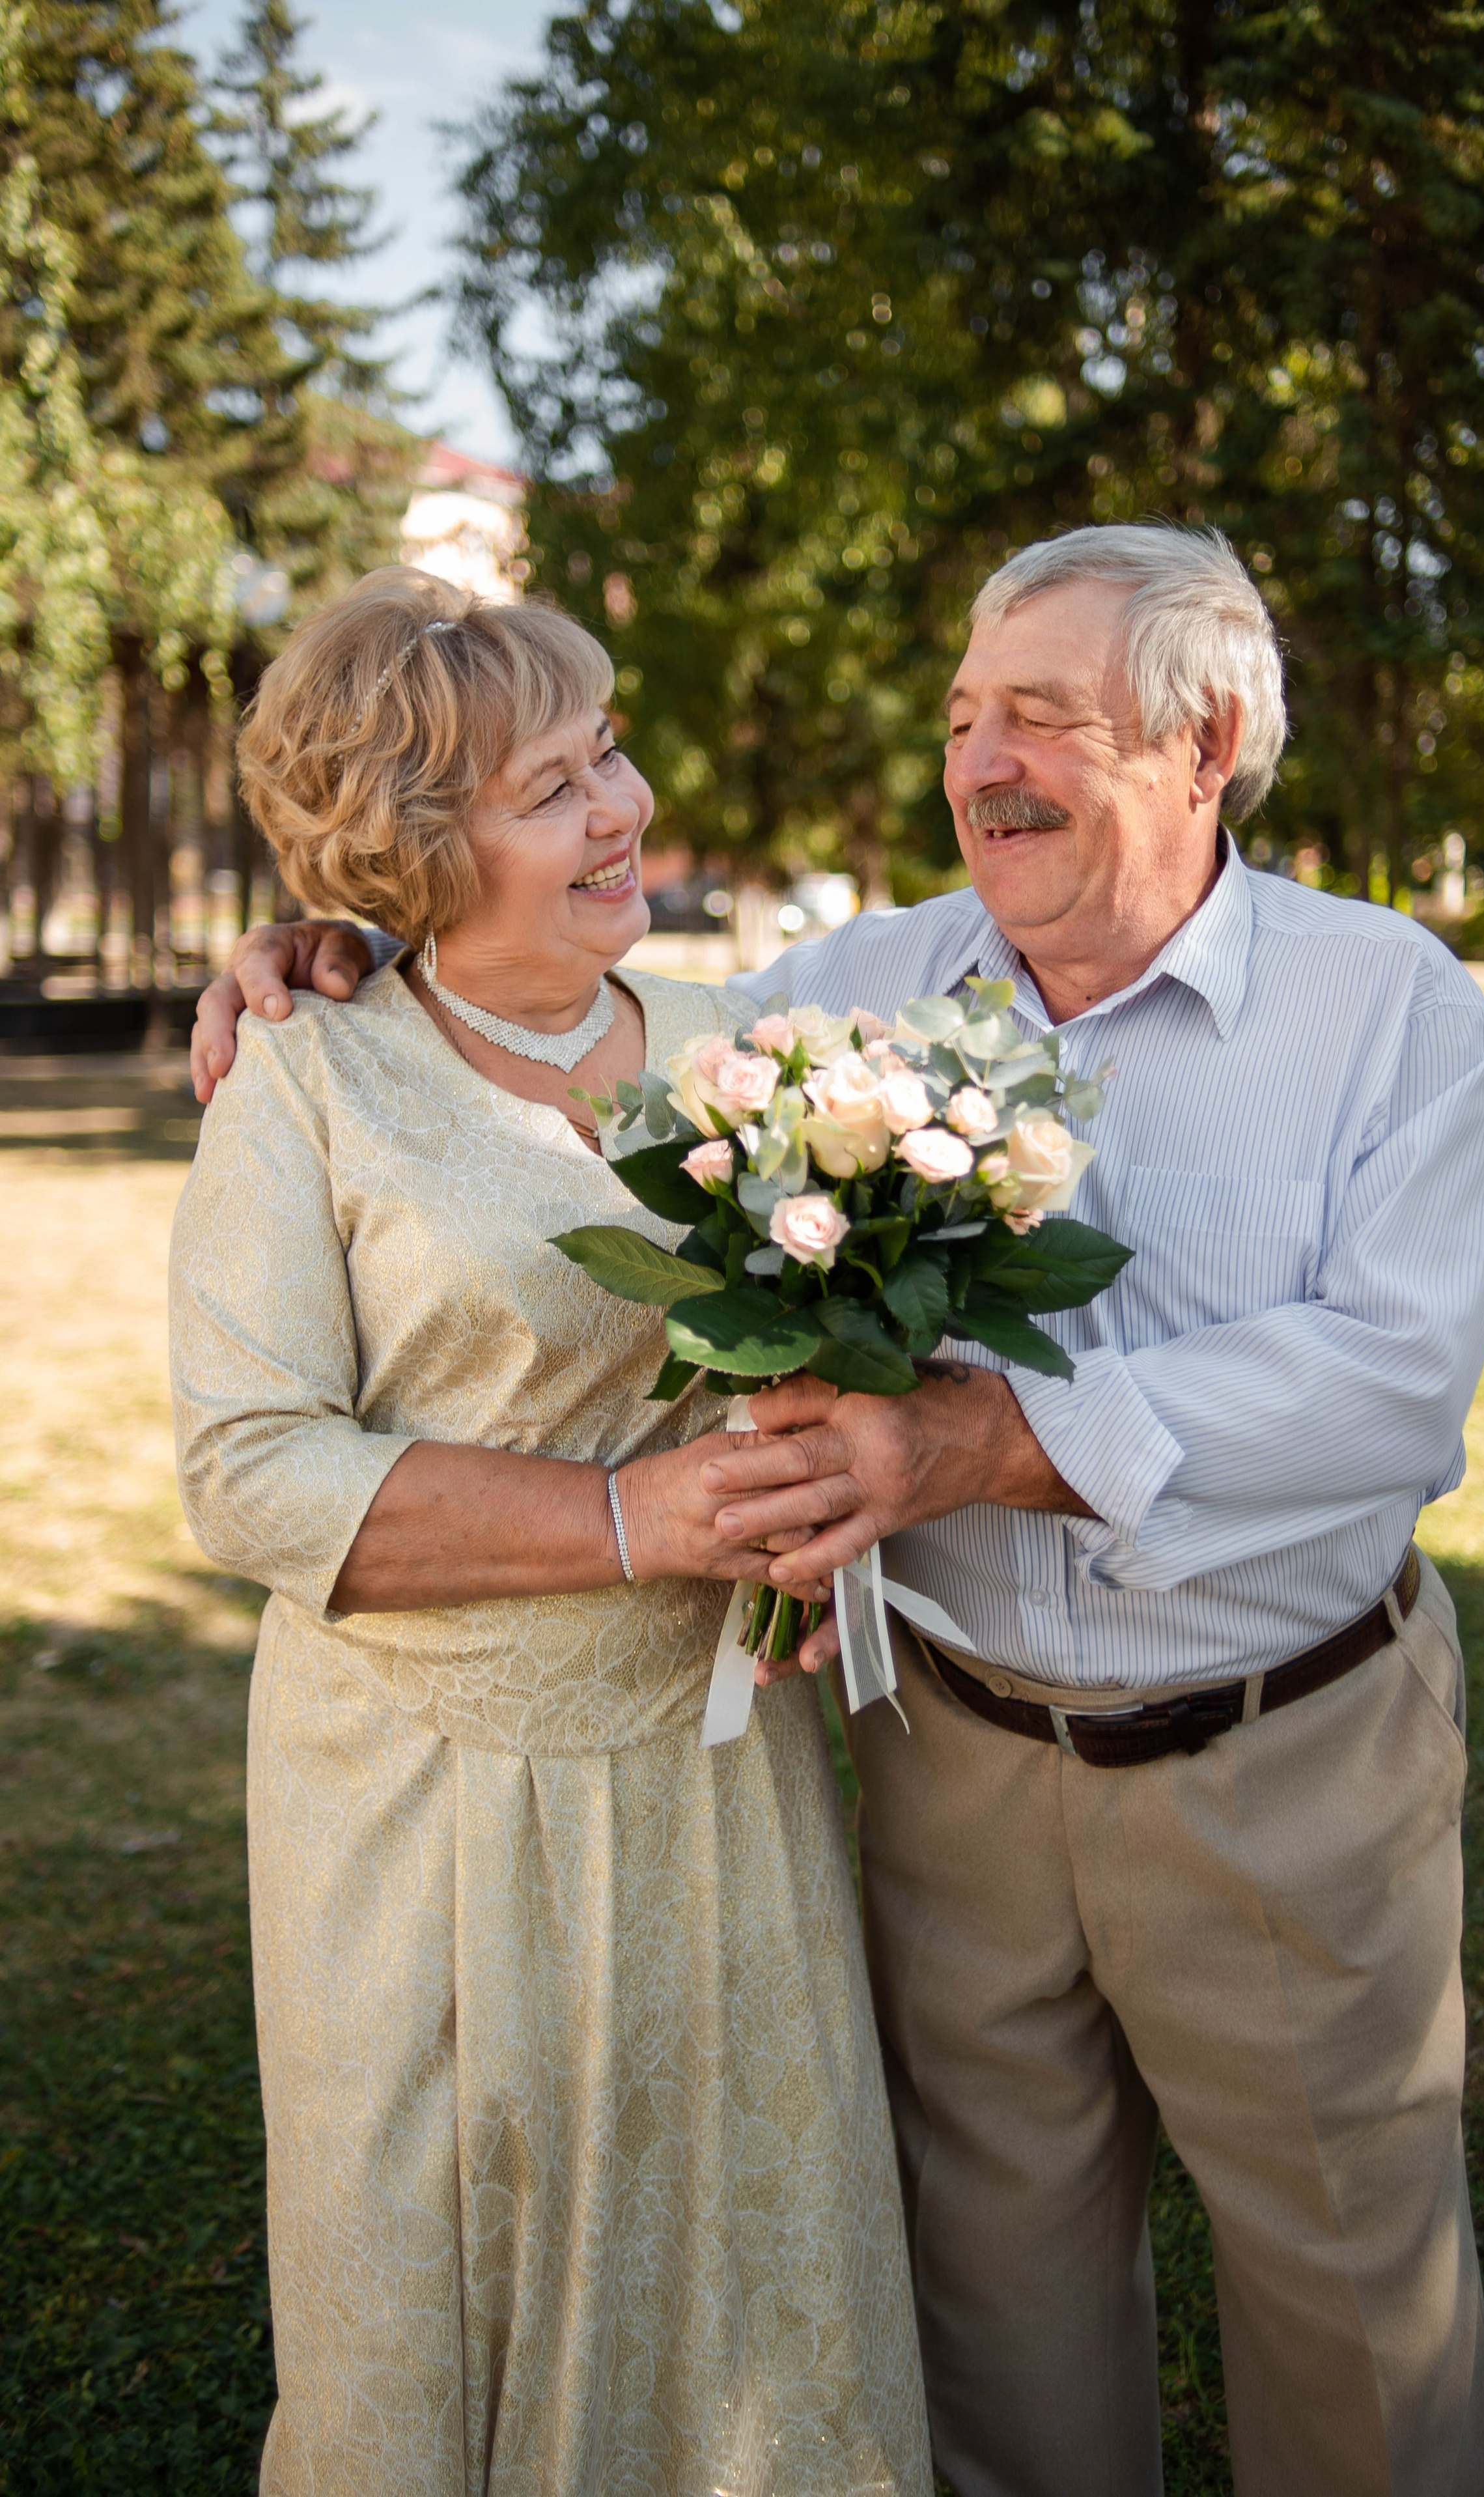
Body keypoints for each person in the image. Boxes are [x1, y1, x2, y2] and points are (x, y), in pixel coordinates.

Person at [193, 526, 1484, 2497]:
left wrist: (983, 1450)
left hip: (1284, 1751)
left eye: (1045, 717)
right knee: (999, 2325)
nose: (980, 762)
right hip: (950, 1769)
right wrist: (330, 944)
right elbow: (505, 965)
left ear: (1211, 735)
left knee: (1358, 2325)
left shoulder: (1385, 1003)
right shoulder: (859, 990)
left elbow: (1398, 1381)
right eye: (968, 715)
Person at [170, 567, 931, 2497]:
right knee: (438, 2274)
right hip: (418, 1797)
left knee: (751, 2277)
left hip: (715, 1770)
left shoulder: (747, 1043)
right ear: (422, 851)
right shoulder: (306, 1071)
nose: (628, 807)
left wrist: (817, 1491)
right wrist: (636, 1511)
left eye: (611, 754)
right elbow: (249, 1468)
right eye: (555, 785)